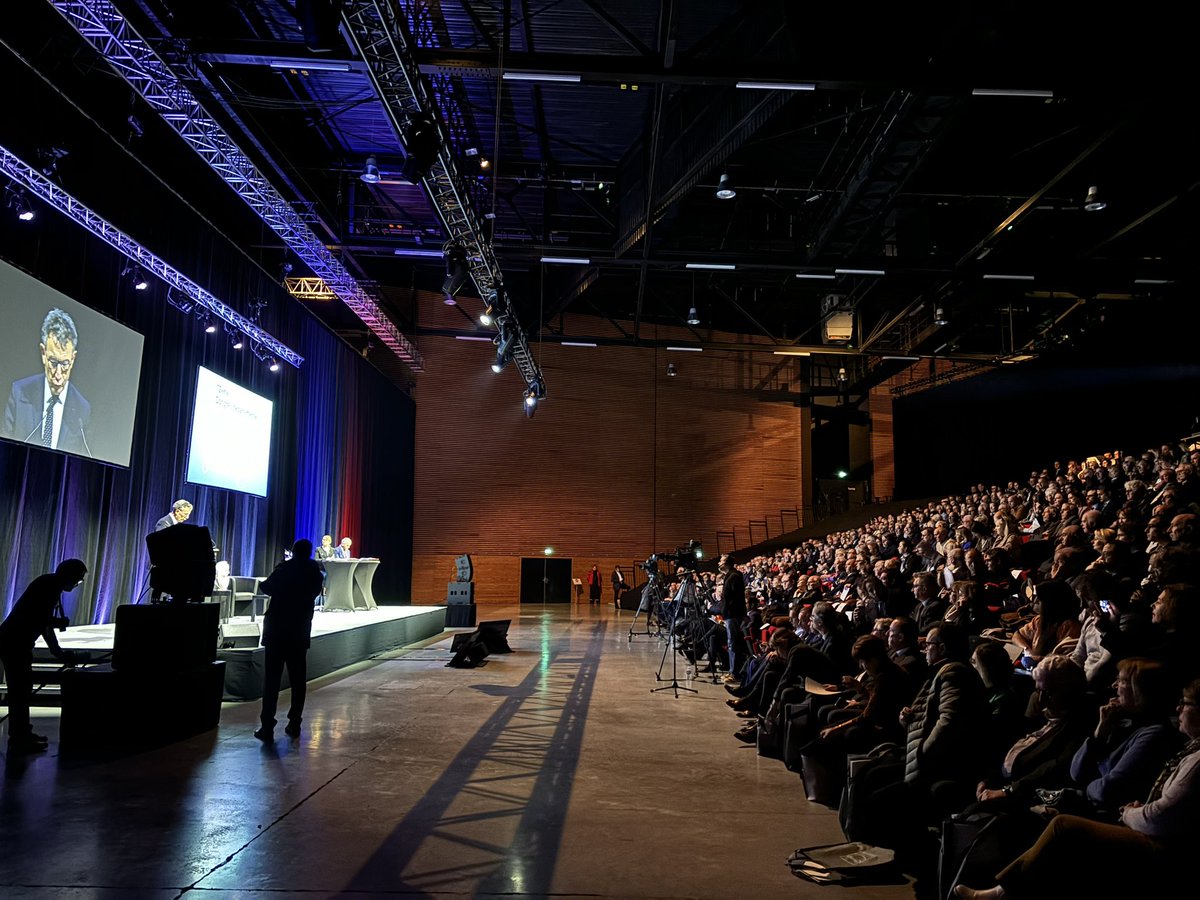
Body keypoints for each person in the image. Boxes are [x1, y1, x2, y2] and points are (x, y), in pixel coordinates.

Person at [954, 678, 1200, 898]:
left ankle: (1000, 893)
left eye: (1186, 703)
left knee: (1062, 826)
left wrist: (1129, 811)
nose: (1114, 685)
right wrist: (1100, 732)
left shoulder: (1163, 740)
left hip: (1156, 841)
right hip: (1119, 810)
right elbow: (1077, 772)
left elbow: (1129, 802)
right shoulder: (1120, 724)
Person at [0, 559, 86, 753]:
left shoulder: (49, 584)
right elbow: (41, 620)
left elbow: (42, 623)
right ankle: (19, 738)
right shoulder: (49, 587)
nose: (77, 584)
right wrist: (58, 633)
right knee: (20, 691)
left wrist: (58, 651)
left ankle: (22, 733)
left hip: (15, 643)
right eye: (78, 579)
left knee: (22, 690)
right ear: (69, 575)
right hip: (14, 643)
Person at [255, 539, 324, 741]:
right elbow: (315, 592)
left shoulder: (285, 568)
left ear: (293, 552)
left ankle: (267, 725)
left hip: (277, 629)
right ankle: (295, 723)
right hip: (299, 629)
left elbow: (267, 587)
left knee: (272, 680)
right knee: (298, 679)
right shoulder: (314, 572)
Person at [1, 308, 92, 455]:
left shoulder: (82, 409)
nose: (58, 375)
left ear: (73, 358)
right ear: (43, 353)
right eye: (53, 362)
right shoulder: (19, 394)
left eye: (65, 364)